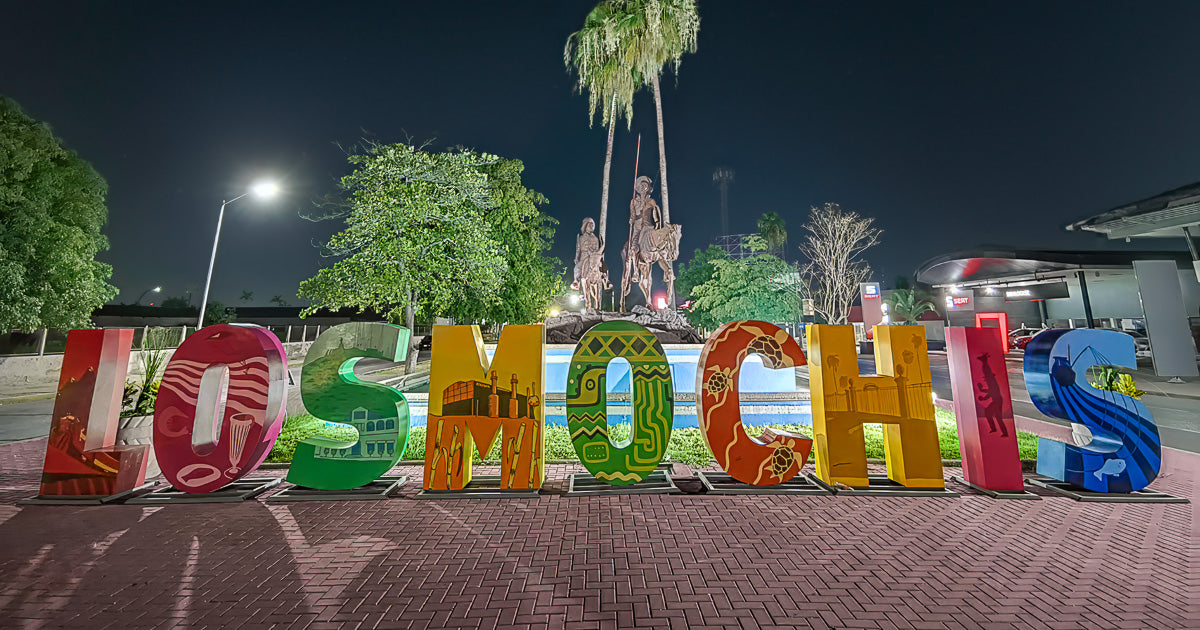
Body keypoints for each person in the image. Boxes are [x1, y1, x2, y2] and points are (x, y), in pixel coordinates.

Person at [572, 218, 602, 290]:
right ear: (585, 226)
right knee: (577, 268)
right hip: (584, 256)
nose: (591, 226)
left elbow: (598, 249)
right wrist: (576, 257)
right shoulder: (581, 237)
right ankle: (576, 281)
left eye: (592, 224)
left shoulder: (596, 238)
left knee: (603, 268)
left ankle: (606, 280)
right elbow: (578, 248)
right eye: (590, 224)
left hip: (594, 257)